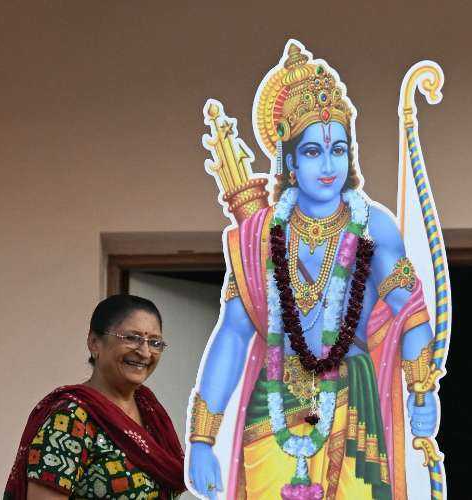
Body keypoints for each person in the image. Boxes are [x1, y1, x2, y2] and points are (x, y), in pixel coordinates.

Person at [187, 42, 437, 499]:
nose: (328, 165)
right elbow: (233, 333)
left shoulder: (372, 225)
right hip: (274, 403)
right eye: (314, 151)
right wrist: (202, 439)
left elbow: (410, 309)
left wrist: (422, 389)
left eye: (338, 149)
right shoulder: (259, 237)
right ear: (288, 159)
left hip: (353, 406)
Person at [4, 295, 186, 499]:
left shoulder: (152, 415)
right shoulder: (71, 419)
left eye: (155, 342)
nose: (145, 352)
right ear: (94, 343)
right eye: (132, 338)